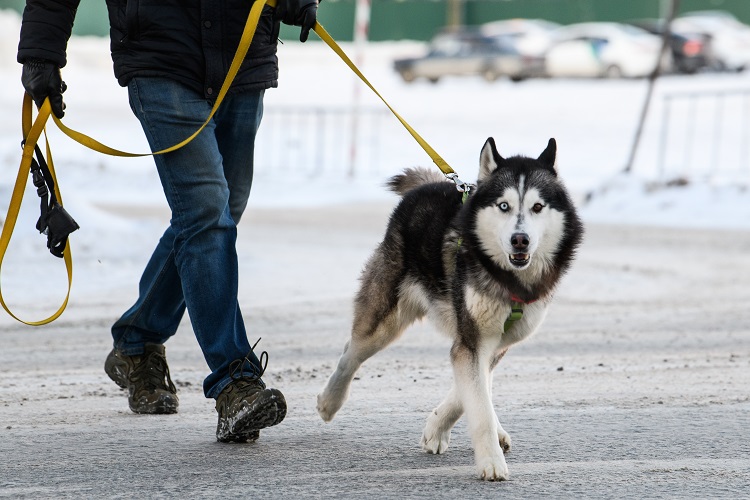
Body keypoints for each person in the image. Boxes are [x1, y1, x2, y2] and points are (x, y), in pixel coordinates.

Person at [17, 0, 318, 443]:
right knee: (205, 213)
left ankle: (136, 343)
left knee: (221, 210)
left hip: (243, 48)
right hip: (160, 53)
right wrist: (42, 52)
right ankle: (234, 381)